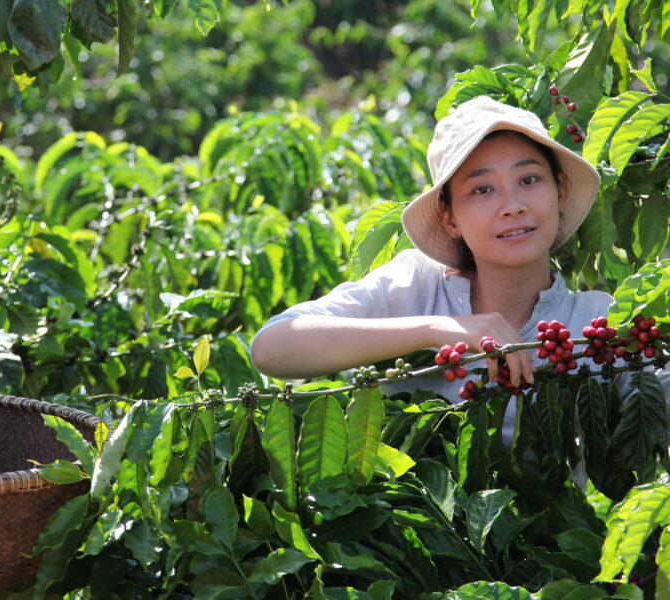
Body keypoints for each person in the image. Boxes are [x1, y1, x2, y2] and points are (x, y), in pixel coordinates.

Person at [250, 96, 615, 441]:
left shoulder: (596, 323)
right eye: (482, 189)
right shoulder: (416, 287)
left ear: (560, 191)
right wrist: (435, 329)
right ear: (450, 217)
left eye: (529, 180)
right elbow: (272, 347)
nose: (513, 205)